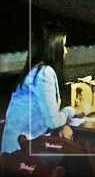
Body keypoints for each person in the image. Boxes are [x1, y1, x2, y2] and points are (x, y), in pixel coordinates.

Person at [1, 23, 82, 153]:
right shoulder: (44, 73)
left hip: (21, 147)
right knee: (78, 155)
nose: (66, 51)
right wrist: (73, 110)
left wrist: (64, 124)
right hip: (20, 152)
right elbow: (53, 121)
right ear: (53, 47)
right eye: (63, 46)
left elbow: (48, 115)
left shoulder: (36, 70)